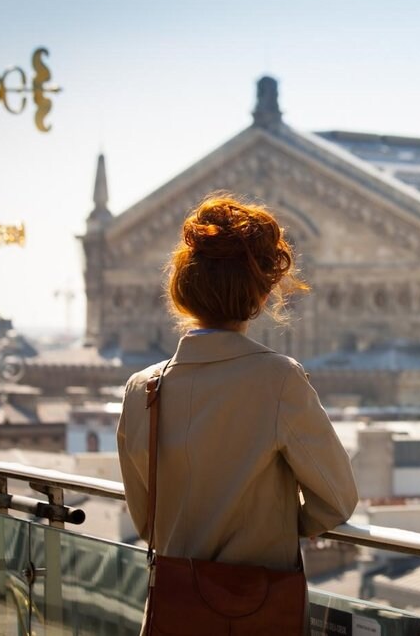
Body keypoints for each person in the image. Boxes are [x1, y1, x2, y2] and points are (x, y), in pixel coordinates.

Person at [117, 193, 358, 581]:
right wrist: (272, 524)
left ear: (182, 291)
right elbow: (337, 499)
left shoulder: (142, 388)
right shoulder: (278, 380)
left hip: (173, 605)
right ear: (261, 296)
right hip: (256, 605)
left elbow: (146, 520)